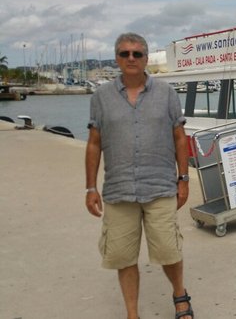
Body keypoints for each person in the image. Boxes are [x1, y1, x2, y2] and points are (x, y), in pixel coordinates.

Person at [85, 32, 193, 319]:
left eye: (136, 53)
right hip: (119, 191)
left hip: (160, 187)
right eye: (124, 54)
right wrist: (90, 189)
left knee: (169, 251)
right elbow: (94, 143)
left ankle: (179, 295)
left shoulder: (167, 94)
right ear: (117, 58)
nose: (130, 58)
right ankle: (132, 314)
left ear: (145, 58)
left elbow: (180, 138)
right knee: (123, 256)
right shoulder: (101, 97)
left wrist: (183, 179)